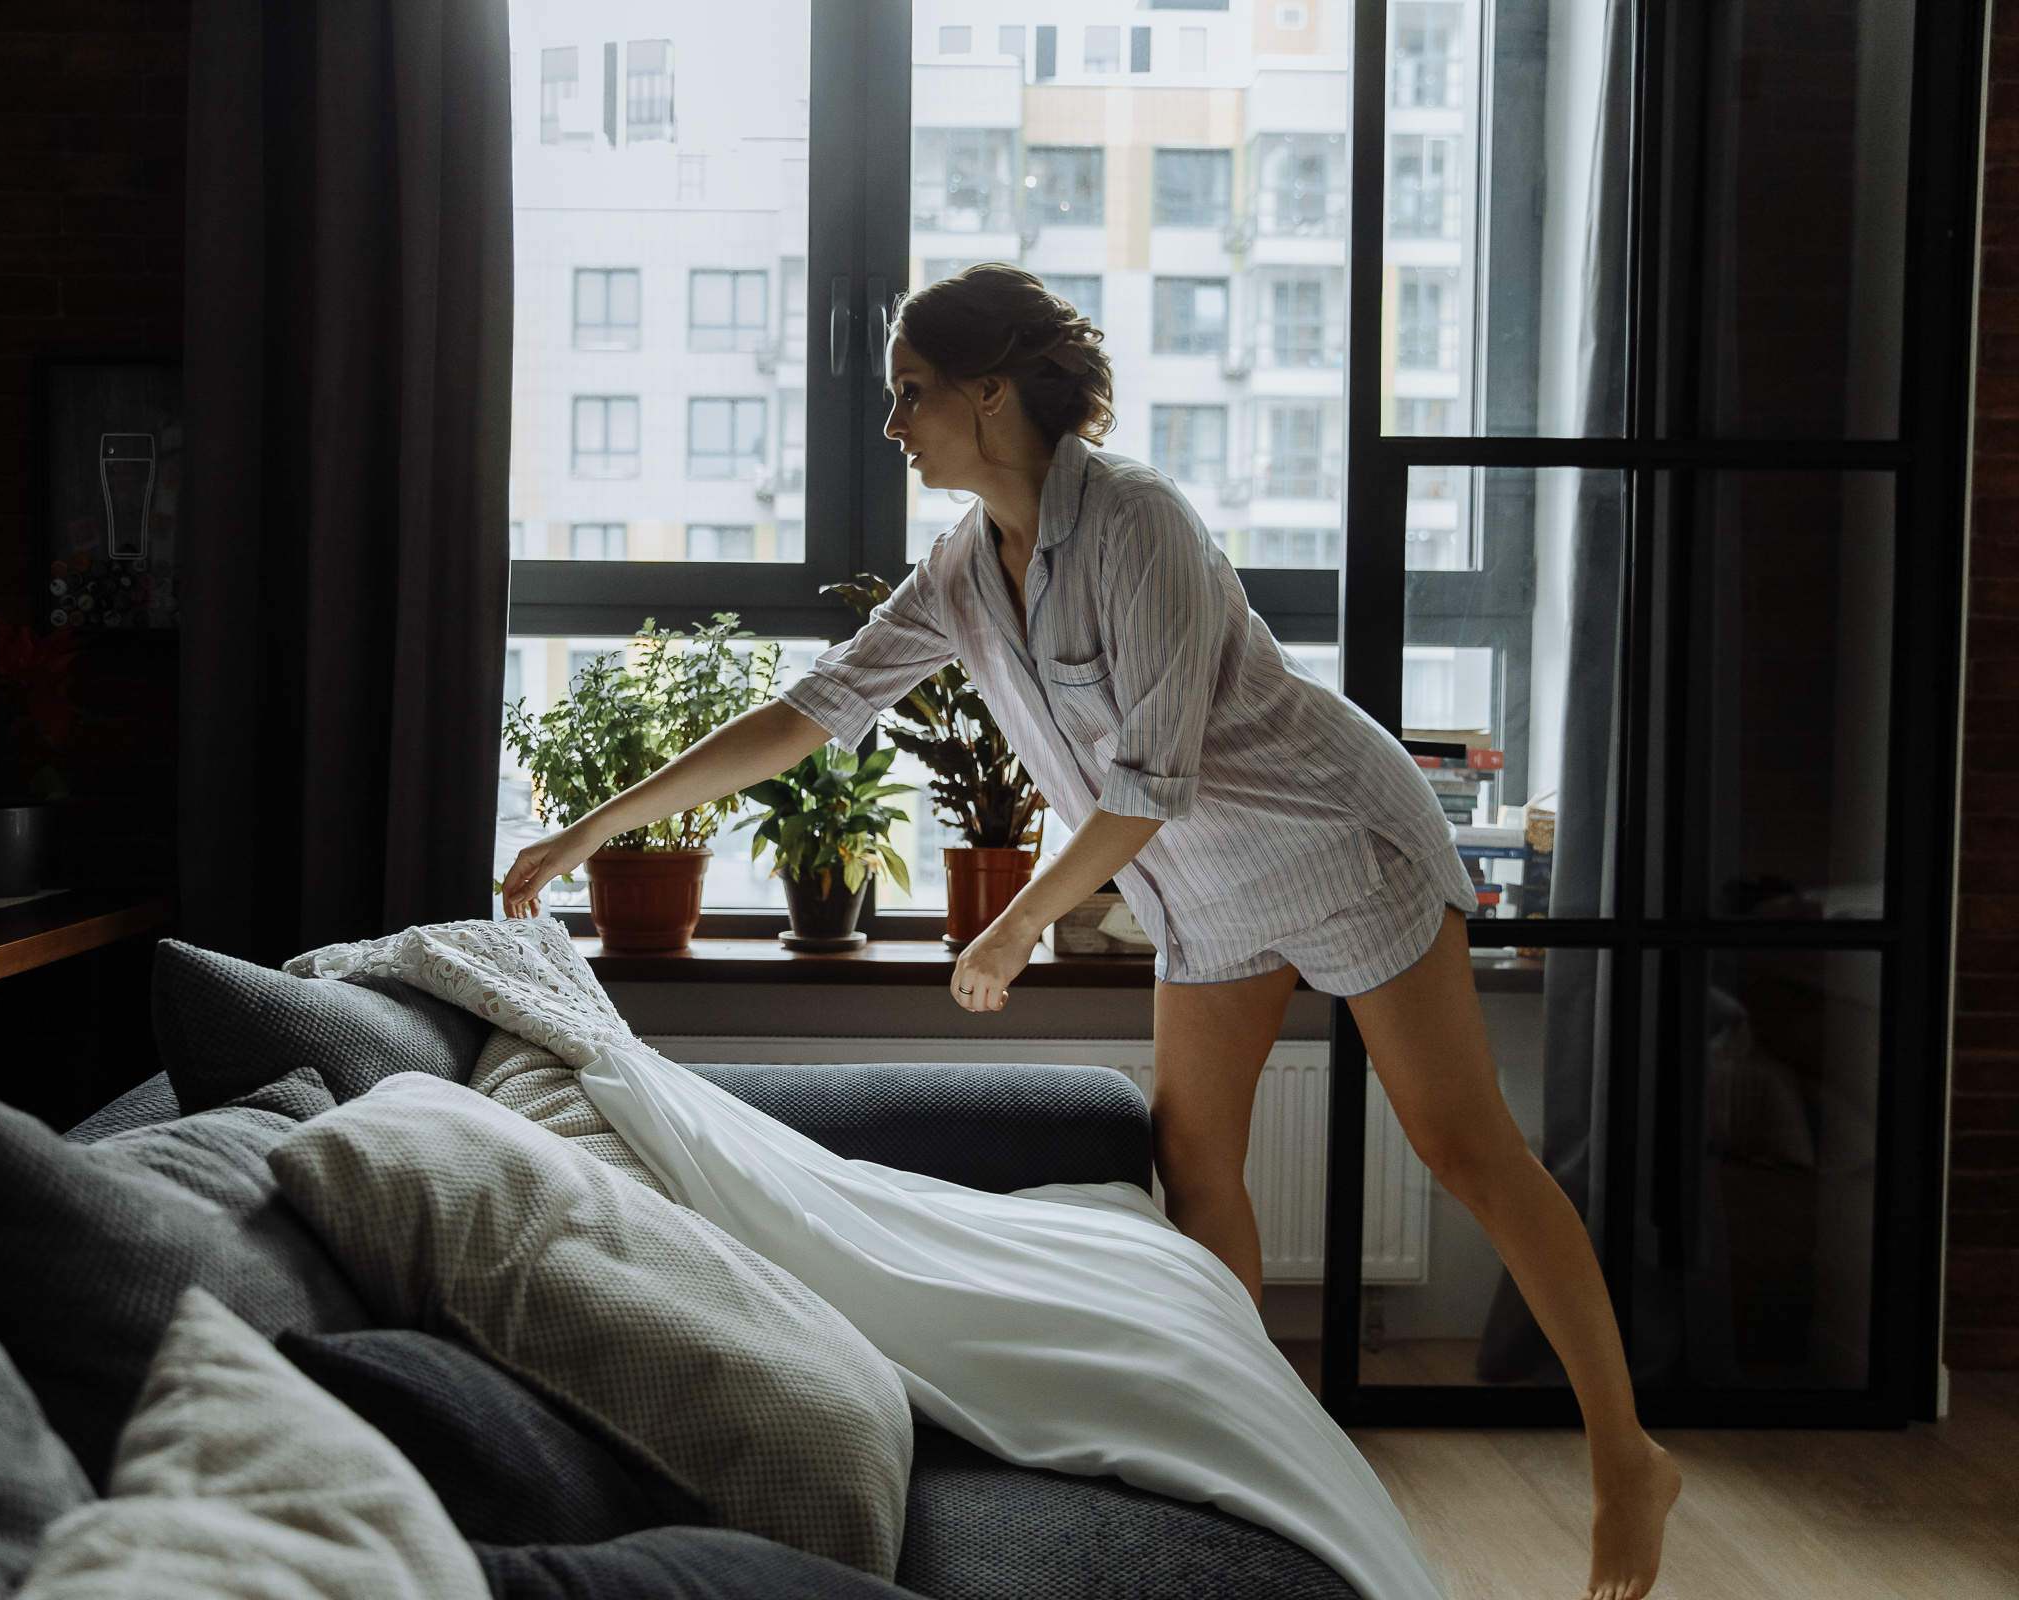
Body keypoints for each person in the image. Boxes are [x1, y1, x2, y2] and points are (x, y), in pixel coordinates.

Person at [502, 263, 1680, 1600]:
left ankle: (1626, 1458)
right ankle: (1261, 1452)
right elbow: (813, 708)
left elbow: (1148, 785)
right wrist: (595, 826)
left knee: (1466, 1150)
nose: (894, 425)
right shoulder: (961, 570)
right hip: (1200, 888)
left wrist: (1009, 931)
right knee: (1197, 1167)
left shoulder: (1139, 526)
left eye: (910, 394)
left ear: (992, 393)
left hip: (1336, 842)